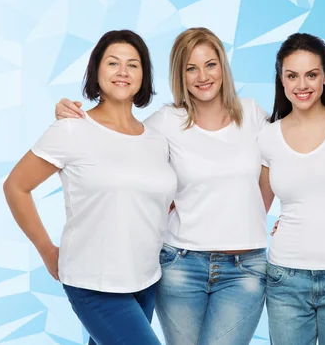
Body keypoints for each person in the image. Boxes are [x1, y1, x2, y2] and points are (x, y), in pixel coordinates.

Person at [55, 27, 269, 345]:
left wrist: (250, 217)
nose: (202, 76)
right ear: (179, 74)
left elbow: (286, 159)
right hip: (181, 265)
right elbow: (116, 138)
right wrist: (73, 118)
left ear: (223, 66)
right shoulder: (166, 122)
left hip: (245, 267)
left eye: (210, 64)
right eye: (190, 68)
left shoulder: (252, 114)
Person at [3, 30, 176, 344]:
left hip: (146, 279)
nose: (122, 71)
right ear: (97, 71)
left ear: (144, 76)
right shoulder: (72, 128)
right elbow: (16, 186)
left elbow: (160, 199)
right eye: (113, 63)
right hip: (94, 283)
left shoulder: (156, 137)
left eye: (133, 64)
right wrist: (46, 249)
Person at [259, 33, 325, 345]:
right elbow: (256, 209)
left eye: (312, 74)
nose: (302, 85)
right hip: (285, 277)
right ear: (281, 79)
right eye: (292, 76)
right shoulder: (267, 136)